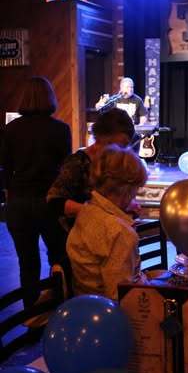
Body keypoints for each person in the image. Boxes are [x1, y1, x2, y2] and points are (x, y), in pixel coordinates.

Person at [0, 76, 71, 307]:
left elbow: (5, 168)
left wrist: (9, 194)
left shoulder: (11, 129)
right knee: (58, 258)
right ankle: (59, 310)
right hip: (50, 202)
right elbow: (66, 171)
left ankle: (31, 316)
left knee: (27, 263)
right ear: (50, 98)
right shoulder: (60, 129)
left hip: (18, 203)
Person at [66, 145, 147, 299]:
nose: (135, 194)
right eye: (136, 188)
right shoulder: (120, 232)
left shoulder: (87, 210)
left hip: (83, 300)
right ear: (127, 189)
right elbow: (120, 298)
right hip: (107, 310)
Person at [47, 107, 136, 228]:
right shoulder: (78, 162)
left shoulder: (116, 161)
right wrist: (93, 212)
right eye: (117, 145)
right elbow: (54, 201)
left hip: (107, 228)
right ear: (102, 137)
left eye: (124, 146)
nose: (121, 151)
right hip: (80, 232)